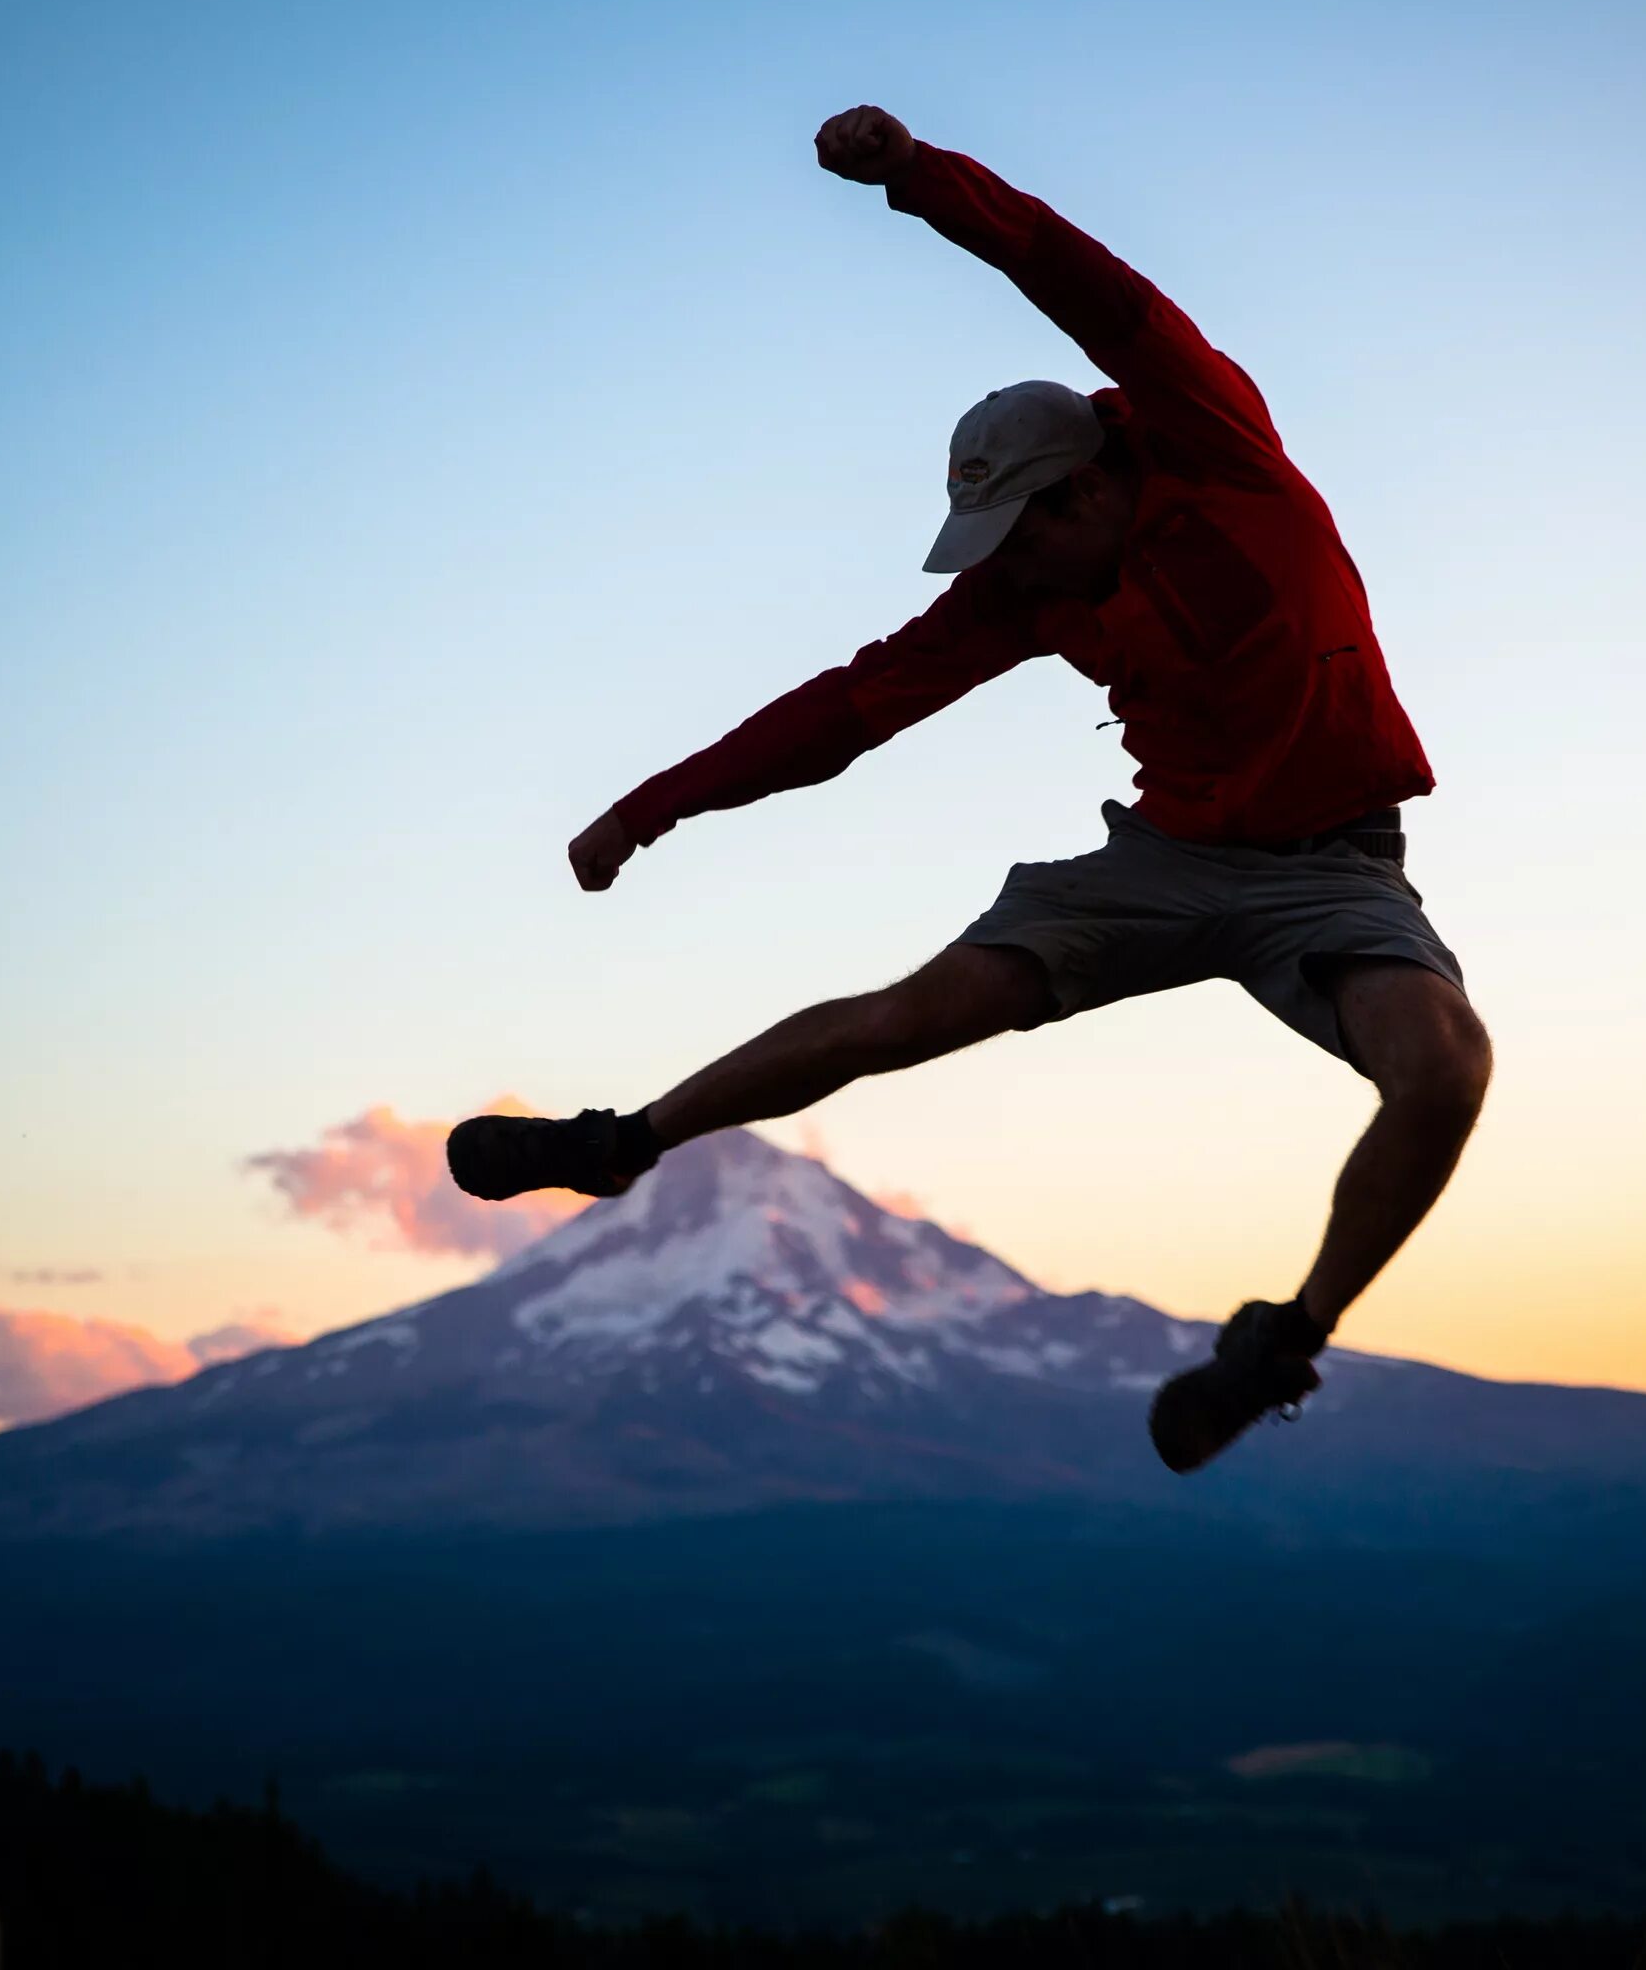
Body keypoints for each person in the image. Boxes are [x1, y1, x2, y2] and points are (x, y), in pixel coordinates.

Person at [450, 105, 1492, 1474]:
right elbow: (845, 713)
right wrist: (653, 806)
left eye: (1025, 532)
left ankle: (1280, 1342)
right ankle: (622, 1143)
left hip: (1332, 868)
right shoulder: (1024, 593)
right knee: (910, 1017)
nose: (1012, 566)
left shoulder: (1217, 453)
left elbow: (1096, 291)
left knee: (1442, 1069)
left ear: (1089, 489)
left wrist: (919, 179)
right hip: (1165, 858)